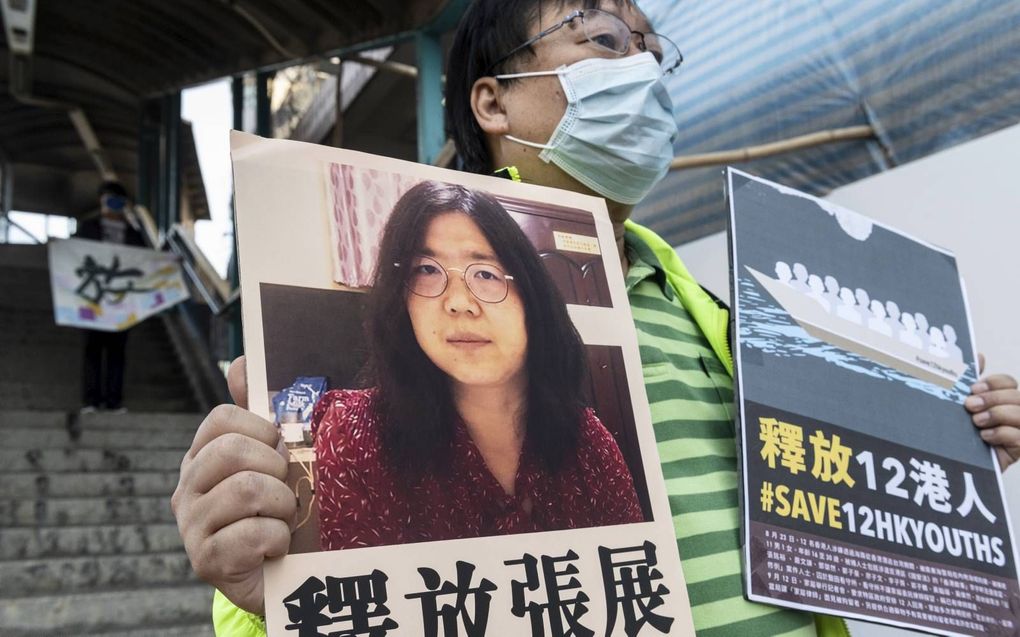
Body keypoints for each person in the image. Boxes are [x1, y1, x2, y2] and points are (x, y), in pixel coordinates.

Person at [173, 1, 1020, 635]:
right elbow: (326, 597)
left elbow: (822, 509)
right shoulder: (348, 429)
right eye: (605, 39)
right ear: (493, 103)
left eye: (654, 48)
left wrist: (943, 445)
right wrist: (255, 592)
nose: (643, 67)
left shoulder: (713, 315)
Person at [313, 180, 642, 550]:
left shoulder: (589, 442)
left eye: (486, 274)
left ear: (533, 298)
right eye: (426, 270)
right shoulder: (356, 432)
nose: (458, 303)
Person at [76, 181, 145, 413]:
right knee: (92, 350)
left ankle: (114, 401)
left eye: (117, 201)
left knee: (117, 352)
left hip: (121, 301)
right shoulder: (87, 227)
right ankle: (91, 400)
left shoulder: (134, 234)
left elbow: (145, 263)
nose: (112, 206)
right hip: (93, 299)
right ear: (101, 201)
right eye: (109, 200)